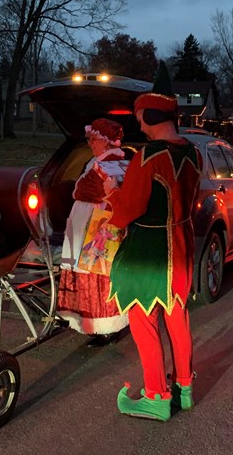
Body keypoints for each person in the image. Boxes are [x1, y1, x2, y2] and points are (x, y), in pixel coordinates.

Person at [103, 92, 203, 422]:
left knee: (143, 320)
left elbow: (130, 208)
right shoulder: (193, 152)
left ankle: (156, 395)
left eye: (140, 115)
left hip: (150, 251)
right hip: (182, 245)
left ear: (150, 116)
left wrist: (110, 193)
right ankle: (184, 389)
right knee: (177, 317)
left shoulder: (148, 157)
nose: (138, 123)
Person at [56, 119, 130, 346]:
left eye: (93, 139)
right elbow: (82, 189)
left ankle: (105, 324)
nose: (90, 143)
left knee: (96, 270)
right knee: (85, 268)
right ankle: (86, 319)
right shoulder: (98, 161)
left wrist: (81, 190)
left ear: (106, 141)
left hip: (97, 224)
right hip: (86, 221)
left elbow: (87, 190)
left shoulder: (112, 162)